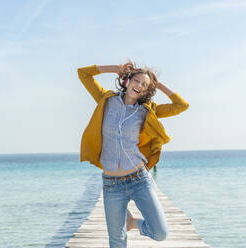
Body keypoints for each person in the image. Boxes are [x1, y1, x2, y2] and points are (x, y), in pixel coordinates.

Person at [77, 60, 189, 247]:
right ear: (128, 80)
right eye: (136, 80)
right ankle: (126, 224)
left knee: (160, 232)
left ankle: (132, 223)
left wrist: (158, 84)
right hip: (112, 184)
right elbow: (83, 73)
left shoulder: (147, 111)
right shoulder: (106, 99)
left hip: (139, 179)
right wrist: (115, 69)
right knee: (117, 241)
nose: (139, 86)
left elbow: (181, 105)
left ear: (146, 91)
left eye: (144, 85)